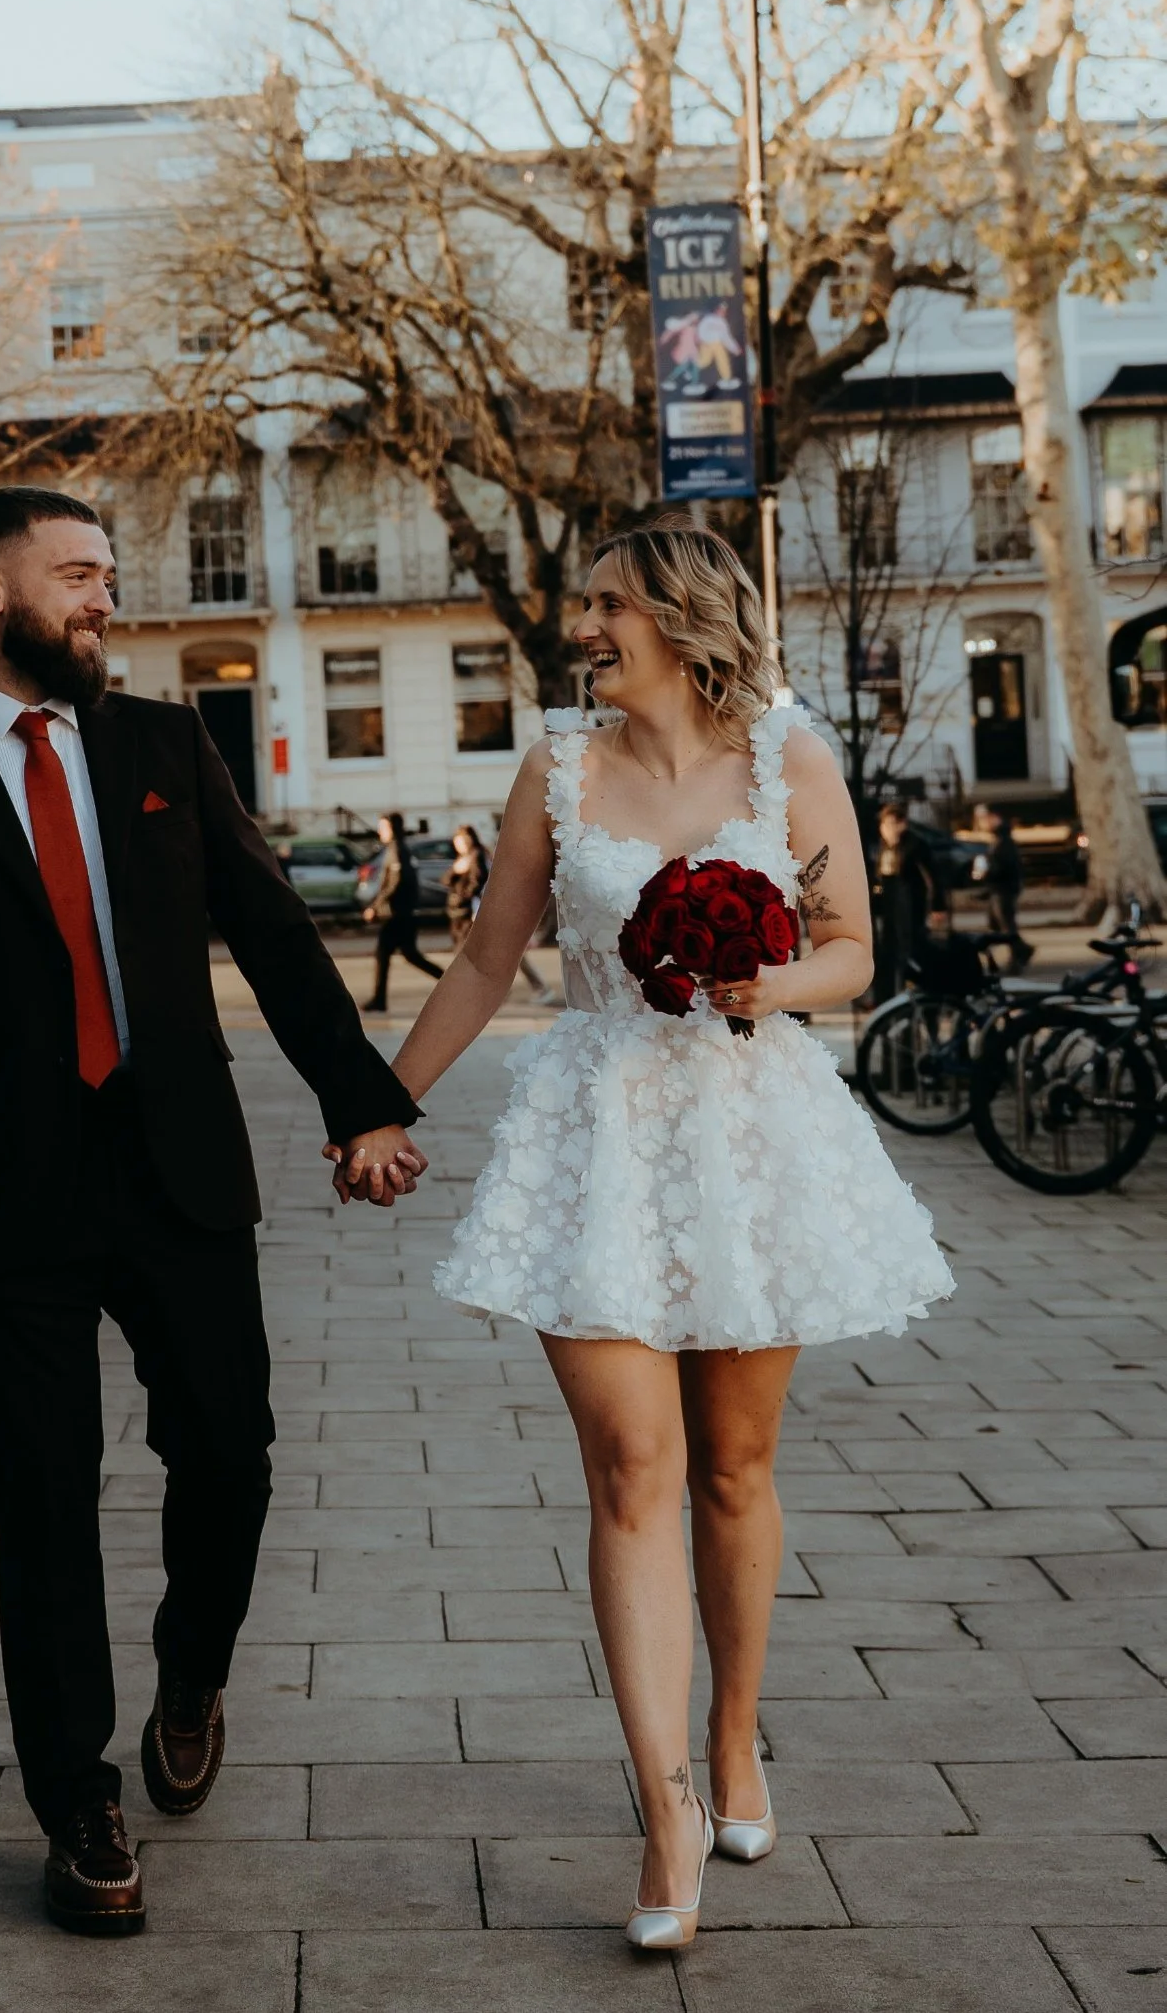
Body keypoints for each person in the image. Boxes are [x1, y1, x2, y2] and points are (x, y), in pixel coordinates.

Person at [0, 487, 423, 1939]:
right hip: (7, 1186)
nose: (104, 599)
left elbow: (272, 930)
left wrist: (362, 1101)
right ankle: (75, 1801)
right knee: (42, 1494)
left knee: (230, 1447)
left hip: (179, 1169)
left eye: (106, 575)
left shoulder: (161, 742)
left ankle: (192, 1667)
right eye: (76, 574)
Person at [341, 525, 953, 1954]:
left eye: (607, 605)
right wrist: (379, 1105)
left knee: (733, 1471)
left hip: (750, 1137)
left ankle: (735, 1738)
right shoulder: (555, 768)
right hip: (595, 1132)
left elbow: (855, 949)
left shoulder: (785, 762)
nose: (585, 627)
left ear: (679, 620)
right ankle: (664, 1802)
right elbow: (492, 954)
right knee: (632, 1470)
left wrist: (765, 979)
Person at [361, 811, 444, 1012]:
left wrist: (375, 906)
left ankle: (379, 1001)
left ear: (391, 828)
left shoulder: (398, 850)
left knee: (385, 954)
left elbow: (397, 882)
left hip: (399, 915)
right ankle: (452, 984)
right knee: (411, 955)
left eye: (383, 827)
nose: (380, 831)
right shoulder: (396, 849)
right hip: (401, 914)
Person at [870, 799, 946, 1000]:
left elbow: (933, 876)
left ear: (902, 824)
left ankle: (914, 988)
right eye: (884, 825)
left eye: (892, 824)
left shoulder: (915, 844)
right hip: (889, 902)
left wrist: (938, 905)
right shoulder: (883, 846)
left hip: (910, 902)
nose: (887, 830)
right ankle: (886, 994)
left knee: (911, 946)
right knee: (888, 948)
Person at [975, 802, 1033, 969]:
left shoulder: (1004, 840)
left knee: (1006, 925)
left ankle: (1020, 952)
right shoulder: (1000, 838)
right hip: (999, 888)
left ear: (994, 818)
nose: (981, 823)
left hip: (1004, 888)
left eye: (983, 819)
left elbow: (1003, 866)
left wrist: (986, 872)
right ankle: (1020, 950)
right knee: (999, 925)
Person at [444, 824, 488, 945]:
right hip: (457, 909)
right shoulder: (461, 858)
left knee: (464, 946)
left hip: (468, 908)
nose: (459, 846)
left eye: (462, 842)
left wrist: (463, 897)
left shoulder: (476, 856)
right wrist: (455, 871)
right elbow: (445, 880)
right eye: (457, 842)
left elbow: (478, 880)